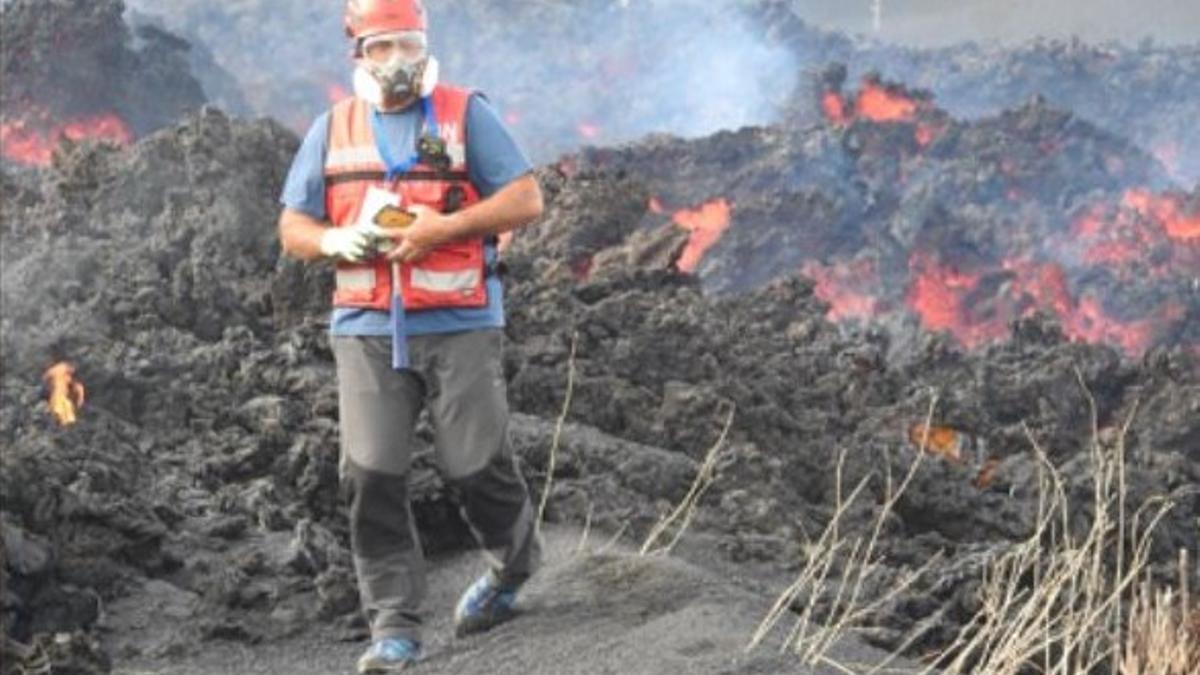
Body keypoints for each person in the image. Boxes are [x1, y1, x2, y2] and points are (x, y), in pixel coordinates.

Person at [276, 0, 544, 671]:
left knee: (475, 463)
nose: (398, 60)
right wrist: (336, 237)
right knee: (370, 472)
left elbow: (525, 198)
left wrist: (439, 230)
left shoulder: (463, 114)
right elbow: (293, 225)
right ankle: (393, 627)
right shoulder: (332, 130)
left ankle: (513, 565)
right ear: (358, 54)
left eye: (408, 45)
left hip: (459, 323)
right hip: (366, 329)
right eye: (382, 47)